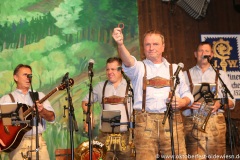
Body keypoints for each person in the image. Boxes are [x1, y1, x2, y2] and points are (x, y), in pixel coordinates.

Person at [112, 28, 194, 160]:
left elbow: (188, 95)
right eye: (147, 44)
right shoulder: (139, 68)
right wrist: (120, 44)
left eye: (155, 44)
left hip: (172, 122)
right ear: (143, 47)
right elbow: (128, 61)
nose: (151, 48)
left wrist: (182, 102)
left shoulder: (175, 69)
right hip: (145, 123)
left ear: (163, 47)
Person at [182, 41, 235, 159]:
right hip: (193, 123)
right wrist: (188, 104)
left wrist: (219, 104)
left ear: (211, 55)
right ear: (195, 54)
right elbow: (179, 103)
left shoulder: (221, 75)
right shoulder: (185, 75)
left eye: (207, 51)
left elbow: (232, 102)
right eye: (201, 51)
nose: (203, 53)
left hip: (215, 123)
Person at [82, 57, 135, 160]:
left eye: (113, 69)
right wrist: (89, 114)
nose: (109, 72)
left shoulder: (131, 86)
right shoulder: (101, 86)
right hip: (105, 137)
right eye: (107, 69)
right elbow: (85, 102)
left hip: (126, 136)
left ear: (121, 70)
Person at [0, 64, 55, 160]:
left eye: (30, 75)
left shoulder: (39, 96)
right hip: (17, 147)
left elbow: (52, 118)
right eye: (25, 75)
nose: (28, 78)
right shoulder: (7, 99)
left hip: (39, 144)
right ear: (15, 77)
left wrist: (42, 111)